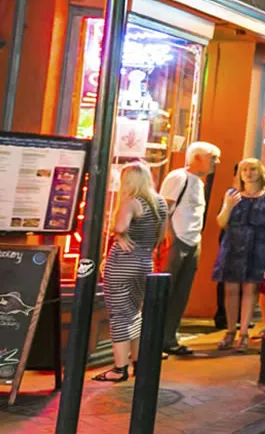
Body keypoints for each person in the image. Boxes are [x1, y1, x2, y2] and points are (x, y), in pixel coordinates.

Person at [95, 163, 169, 382]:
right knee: (135, 313)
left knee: (119, 316)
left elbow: (120, 227)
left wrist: (119, 236)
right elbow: (162, 235)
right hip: (144, 262)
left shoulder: (131, 202)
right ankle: (137, 362)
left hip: (122, 264)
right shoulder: (160, 203)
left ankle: (119, 369)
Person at [158, 141, 219, 357]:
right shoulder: (178, 177)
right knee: (166, 290)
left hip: (192, 241)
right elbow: (164, 208)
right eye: (212, 158)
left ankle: (169, 337)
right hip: (177, 240)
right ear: (197, 158)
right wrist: (168, 236)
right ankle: (155, 338)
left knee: (181, 293)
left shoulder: (199, 183)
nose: (216, 163)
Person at [213, 158, 265, 353]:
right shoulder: (232, 194)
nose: (249, 173)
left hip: (259, 242)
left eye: (253, 169)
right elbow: (221, 222)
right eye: (244, 170)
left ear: (260, 172)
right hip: (233, 241)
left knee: (251, 288)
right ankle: (230, 330)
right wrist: (229, 206)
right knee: (230, 288)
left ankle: (244, 333)